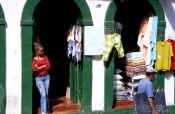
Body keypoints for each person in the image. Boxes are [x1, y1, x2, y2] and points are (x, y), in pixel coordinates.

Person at [32, 44, 52, 114]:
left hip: (47, 77)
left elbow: (49, 67)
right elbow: (34, 69)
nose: (43, 52)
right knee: (43, 95)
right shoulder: (34, 59)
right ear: (37, 51)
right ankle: (44, 112)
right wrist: (44, 66)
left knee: (45, 94)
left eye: (43, 50)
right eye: (41, 51)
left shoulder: (45, 57)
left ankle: (47, 108)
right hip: (39, 78)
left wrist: (39, 67)